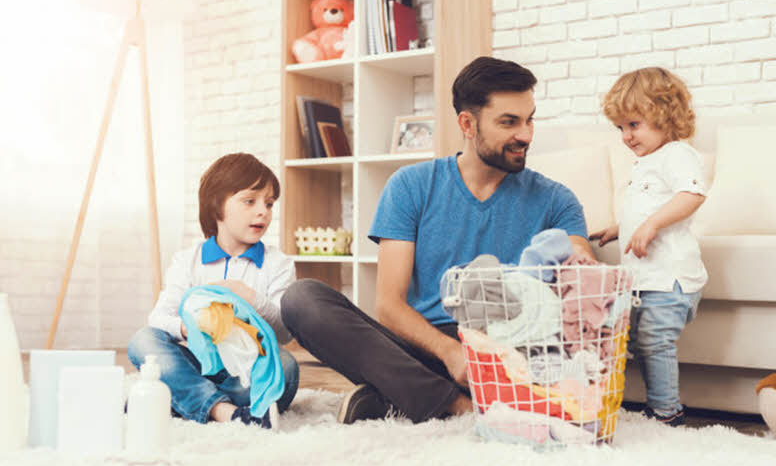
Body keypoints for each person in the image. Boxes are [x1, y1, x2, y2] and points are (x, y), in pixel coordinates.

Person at [281, 56, 593, 425]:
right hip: (423, 346)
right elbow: (390, 306)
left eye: (529, 119)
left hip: (510, 355)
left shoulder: (557, 200)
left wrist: (588, 268)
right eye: (509, 122)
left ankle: (398, 396)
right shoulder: (411, 186)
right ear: (467, 123)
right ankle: (458, 406)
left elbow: (584, 277)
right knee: (302, 300)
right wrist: (450, 352)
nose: (525, 134)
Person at [128, 153, 299, 426]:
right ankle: (225, 412)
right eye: (250, 201)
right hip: (200, 365)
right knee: (143, 341)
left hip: (246, 373)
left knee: (287, 366)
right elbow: (158, 318)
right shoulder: (188, 260)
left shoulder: (277, 264)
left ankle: (180, 396)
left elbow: (284, 333)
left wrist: (250, 297)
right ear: (217, 205)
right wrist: (190, 328)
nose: (263, 212)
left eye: (269, 203)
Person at [590, 67, 707, 427]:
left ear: (664, 114)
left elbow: (692, 194)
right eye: (620, 128)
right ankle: (640, 404)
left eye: (633, 125)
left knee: (654, 340)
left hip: (670, 278)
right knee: (635, 341)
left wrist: (652, 224)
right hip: (644, 280)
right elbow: (646, 206)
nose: (625, 136)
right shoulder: (646, 163)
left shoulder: (677, 154)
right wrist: (620, 228)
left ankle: (666, 412)